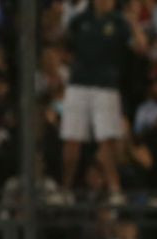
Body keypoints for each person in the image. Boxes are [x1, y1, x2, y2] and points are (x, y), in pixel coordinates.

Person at [59, 0, 144, 205]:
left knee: (107, 140)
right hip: (78, 85)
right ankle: (65, 189)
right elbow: (64, 45)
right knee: (72, 139)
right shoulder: (80, 20)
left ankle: (115, 188)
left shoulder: (119, 22)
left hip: (106, 86)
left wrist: (134, 22)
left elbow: (141, 47)